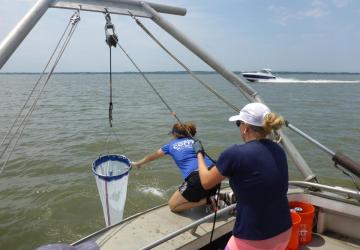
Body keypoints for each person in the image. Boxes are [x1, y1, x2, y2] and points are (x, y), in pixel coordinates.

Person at [193, 102, 292, 250]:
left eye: (238, 123)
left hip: (254, 237)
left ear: (245, 127)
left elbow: (206, 182)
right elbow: (257, 177)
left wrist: (199, 153)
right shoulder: (278, 150)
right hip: (284, 230)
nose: (239, 127)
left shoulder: (235, 153)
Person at [132, 122, 219, 212]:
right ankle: (211, 196)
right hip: (215, 172)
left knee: (173, 206)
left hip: (198, 177)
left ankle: (213, 199)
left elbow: (152, 156)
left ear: (175, 134)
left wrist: (138, 163)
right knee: (198, 191)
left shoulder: (170, 146)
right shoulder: (195, 141)